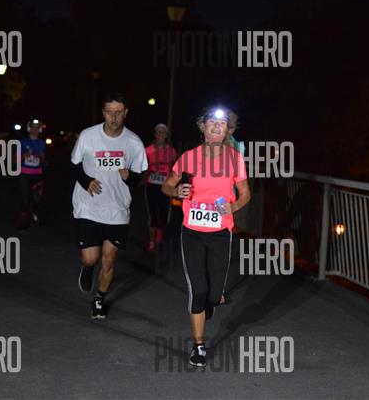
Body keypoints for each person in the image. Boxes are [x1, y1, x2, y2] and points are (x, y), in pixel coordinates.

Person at [161, 106, 251, 367]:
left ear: (228, 130)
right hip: (192, 231)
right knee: (198, 290)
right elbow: (167, 185)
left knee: (213, 296)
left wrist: (234, 206)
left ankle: (210, 302)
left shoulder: (235, 159)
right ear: (203, 127)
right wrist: (177, 191)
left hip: (220, 232)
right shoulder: (189, 157)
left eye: (222, 124)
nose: (216, 126)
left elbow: (246, 193)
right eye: (212, 122)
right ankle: (198, 346)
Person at [71, 93, 148, 319]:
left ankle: (99, 298)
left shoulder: (133, 142)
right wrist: (86, 181)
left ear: (125, 113)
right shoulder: (88, 136)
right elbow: (74, 164)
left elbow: (139, 176)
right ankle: (87, 268)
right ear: (103, 113)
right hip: (89, 205)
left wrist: (130, 178)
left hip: (117, 209)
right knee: (90, 258)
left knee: (109, 258)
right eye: (109, 112)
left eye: (118, 112)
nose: (114, 117)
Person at [144, 124, 177, 252]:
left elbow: (174, 168)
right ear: (155, 134)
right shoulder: (148, 150)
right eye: (158, 132)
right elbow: (143, 167)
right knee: (152, 213)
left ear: (166, 135)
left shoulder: (171, 151)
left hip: (166, 186)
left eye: (163, 132)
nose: (161, 134)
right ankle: (151, 241)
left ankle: (160, 232)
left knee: (164, 213)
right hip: (151, 185)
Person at [18, 120, 46, 230]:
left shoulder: (41, 142)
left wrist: (42, 157)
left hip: (37, 174)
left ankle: (34, 214)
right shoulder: (23, 142)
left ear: (40, 130)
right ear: (29, 129)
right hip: (25, 174)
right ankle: (23, 220)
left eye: (37, 128)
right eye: (32, 127)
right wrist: (26, 155)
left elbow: (43, 160)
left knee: (36, 198)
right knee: (24, 198)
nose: (34, 130)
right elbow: (15, 159)